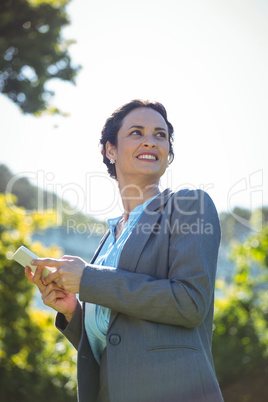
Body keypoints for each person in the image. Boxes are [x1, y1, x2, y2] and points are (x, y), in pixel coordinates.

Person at [25, 99, 224, 402]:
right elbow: (115, 345)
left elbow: (190, 301)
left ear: (168, 152)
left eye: (160, 135)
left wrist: (89, 280)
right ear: (110, 150)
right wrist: (73, 311)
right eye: (137, 132)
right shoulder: (107, 243)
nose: (151, 141)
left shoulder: (188, 205)